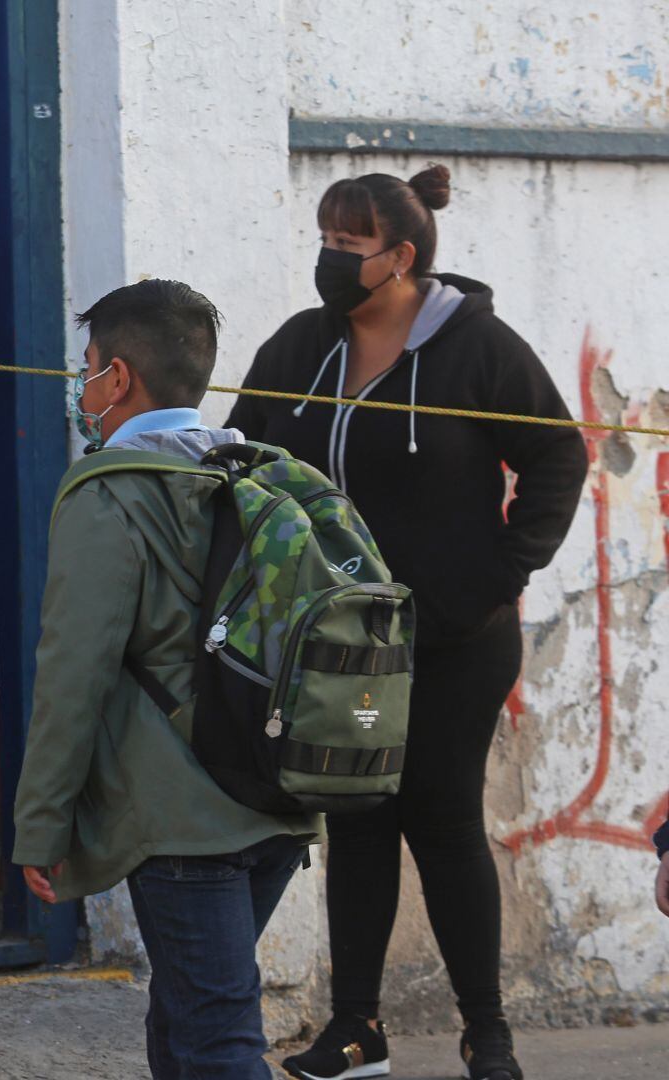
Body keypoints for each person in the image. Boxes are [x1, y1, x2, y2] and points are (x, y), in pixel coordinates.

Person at [229, 166, 587, 1080]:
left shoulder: (477, 348)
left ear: (402, 257)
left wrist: (498, 573)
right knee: (354, 816)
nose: (328, 260)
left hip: (456, 639)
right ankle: (357, 1033)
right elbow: (243, 456)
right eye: (325, 240)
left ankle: (488, 1034)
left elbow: (556, 454)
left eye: (347, 247)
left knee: (442, 816)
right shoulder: (298, 347)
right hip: (338, 651)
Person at [13, 280, 320, 1079]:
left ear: (118, 378)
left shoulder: (109, 491)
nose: (82, 387)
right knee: (186, 1026)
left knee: (216, 1042)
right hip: (278, 799)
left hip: (181, 818)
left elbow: (72, 672)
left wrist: (41, 826)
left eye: (87, 369)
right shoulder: (261, 473)